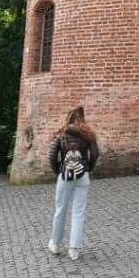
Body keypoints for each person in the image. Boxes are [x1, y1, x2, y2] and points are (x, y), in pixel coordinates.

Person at [47, 107, 100, 261]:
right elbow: (95, 153)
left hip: (65, 175)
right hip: (82, 175)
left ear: (68, 118)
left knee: (60, 209)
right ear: (82, 119)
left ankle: (55, 244)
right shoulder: (88, 134)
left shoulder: (62, 134)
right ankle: (74, 249)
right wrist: (88, 167)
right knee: (78, 212)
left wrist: (58, 170)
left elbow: (51, 155)